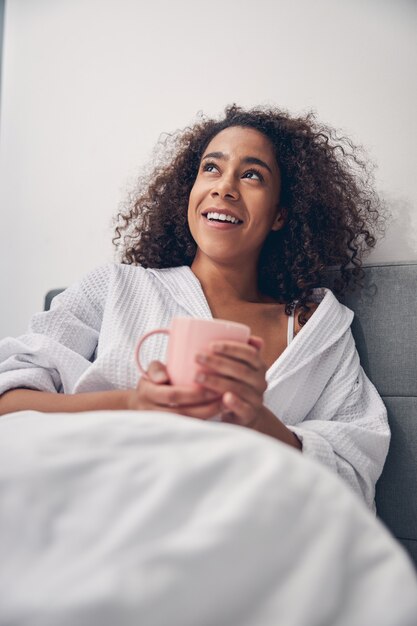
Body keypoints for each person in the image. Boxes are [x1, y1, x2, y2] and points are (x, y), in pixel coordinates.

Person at [0, 104, 389, 508]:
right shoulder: (116, 287)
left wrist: (258, 420)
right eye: (211, 168)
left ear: (280, 215)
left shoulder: (316, 328)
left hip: (241, 532)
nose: (224, 187)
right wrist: (132, 404)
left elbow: (353, 471)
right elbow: (7, 400)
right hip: (101, 506)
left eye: (252, 175)